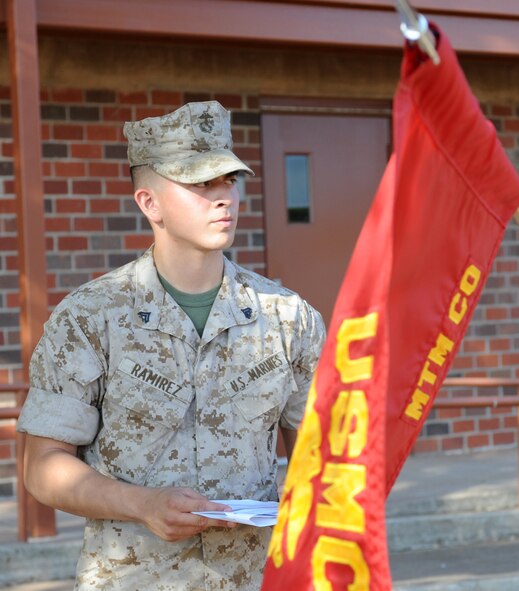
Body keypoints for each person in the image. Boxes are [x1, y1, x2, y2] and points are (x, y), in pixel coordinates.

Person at [16, 101, 325, 590]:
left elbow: (321, 458)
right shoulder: (90, 318)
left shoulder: (288, 318)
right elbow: (42, 468)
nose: (224, 197)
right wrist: (145, 505)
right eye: (201, 184)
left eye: (228, 180)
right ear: (149, 203)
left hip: (258, 578)